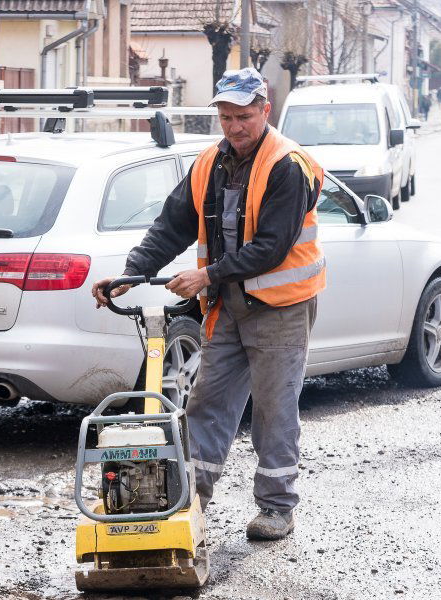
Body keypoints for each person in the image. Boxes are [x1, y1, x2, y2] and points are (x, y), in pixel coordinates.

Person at [91, 68, 325, 542]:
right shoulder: (208, 164)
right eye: (226, 117)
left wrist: (207, 275)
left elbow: (272, 246)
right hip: (228, 306)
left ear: (265, 110)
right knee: (208, 402)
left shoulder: (287, 165)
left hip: (280, 307)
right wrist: (131, 274)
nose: (235, 126)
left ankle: (277, 507)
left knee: (273, 409)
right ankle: (189, 499)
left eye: (243, 116)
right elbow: (172, 225)